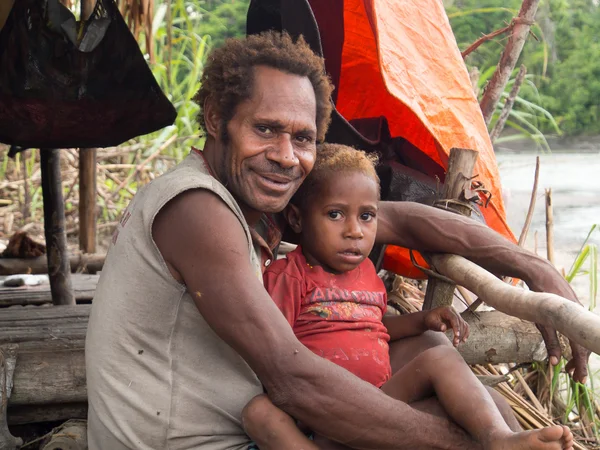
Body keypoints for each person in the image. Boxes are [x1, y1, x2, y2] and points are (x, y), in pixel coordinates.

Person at [85, 31, 588, 450]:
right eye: (266, 129)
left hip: (249, 429)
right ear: (217, 120)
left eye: (302, 138)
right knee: (470, 421)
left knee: (455, 378)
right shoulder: (197, 208)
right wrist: (475, 445)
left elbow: (404, 220)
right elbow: (294, 379)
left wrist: (529, 264)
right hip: (200, 442)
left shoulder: (257, 199)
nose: (286, 156)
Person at [243, 143, 573, 450]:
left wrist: (421, 320)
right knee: (257, 413)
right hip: (325, 413)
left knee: (445, 362)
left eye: (366, 216)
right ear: (297, 219)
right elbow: (276, 352)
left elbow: (374, 327)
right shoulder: (290, 276)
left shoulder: (367, 276)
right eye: (335, 214)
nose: (354, 230)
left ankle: (500, 438)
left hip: (383, 405)